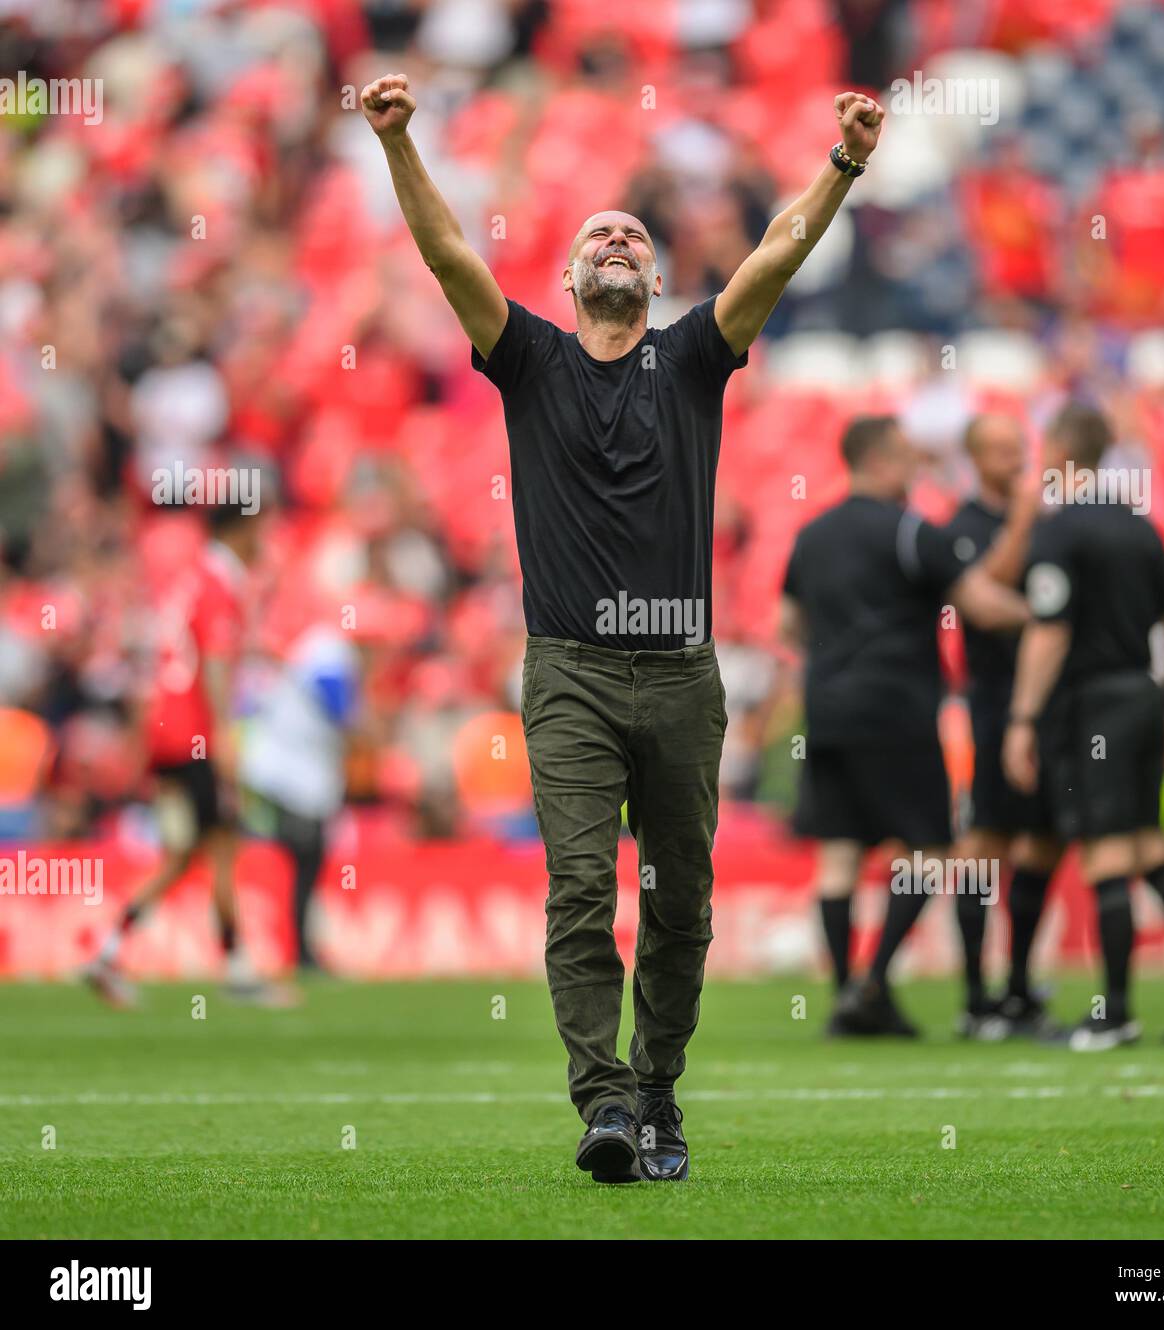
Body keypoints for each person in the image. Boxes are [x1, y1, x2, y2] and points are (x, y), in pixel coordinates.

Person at [363, 71, 886, 1182]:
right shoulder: (530, 359)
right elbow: (450, 253)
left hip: (683, 674)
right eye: (597, 233)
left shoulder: (694, 356)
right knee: (579, 888)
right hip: (569, 674)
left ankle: (657, 1088)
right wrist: (400, 145)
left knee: (682, 904)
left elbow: (775, 257)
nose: (614, 239)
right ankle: (603, 1100)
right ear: (568, 276)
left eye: (632, 236)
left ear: (651, 276)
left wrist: (841, 163)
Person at [780, 415, 1028, 1038]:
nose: (916, 470)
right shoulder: (913, 530)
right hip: (897, 710)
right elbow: (983, 606)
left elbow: (788, 624)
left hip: (828, 711)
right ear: (885, 461)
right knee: (928, 852)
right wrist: (1056, 617)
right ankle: (872, 983)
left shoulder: (812, 535)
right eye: (908, 459)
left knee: (839, 856)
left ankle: (846, 998)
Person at [1003, 404, 1164, 1051]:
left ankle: (1117, 1014)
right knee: (1147, 845)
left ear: (1058, 449)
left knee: (1108, 853)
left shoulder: (1060, 533)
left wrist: (1022, 718)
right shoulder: (1142, 528)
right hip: (1142, 695)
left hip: (1094, 703)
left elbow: (1049, 632)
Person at [85, 504, 278, 1006]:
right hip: (194, 734)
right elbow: (214, 662)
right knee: (221, 845)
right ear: (240, 530)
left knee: (181, 852)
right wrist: (224, 739)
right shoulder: (220, 583)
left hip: (165, 733)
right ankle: (237, 970)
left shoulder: (191, 579)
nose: (265, 540)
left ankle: (107, 952)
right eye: (260, 529)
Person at [945, 414, 1064, 1038]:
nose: (1014, 457)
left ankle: (1018, 989)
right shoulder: (963, 526)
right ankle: (974, 997)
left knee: (1044, 842)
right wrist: (1050, 617)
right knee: (984, 849)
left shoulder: (1047, 523)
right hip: (993, 705)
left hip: (1049, 708)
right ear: (973, 456)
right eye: (999, 448)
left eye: (1019, 445)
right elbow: (982, 598)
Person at [242, 625, 362, 972]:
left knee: (305, 861)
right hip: (292, 781)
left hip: (283, 776)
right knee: (307, 859)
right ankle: (299, 950)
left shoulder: (311, 655)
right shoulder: (331, 654)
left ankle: (299, 948)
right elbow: (341, 710)